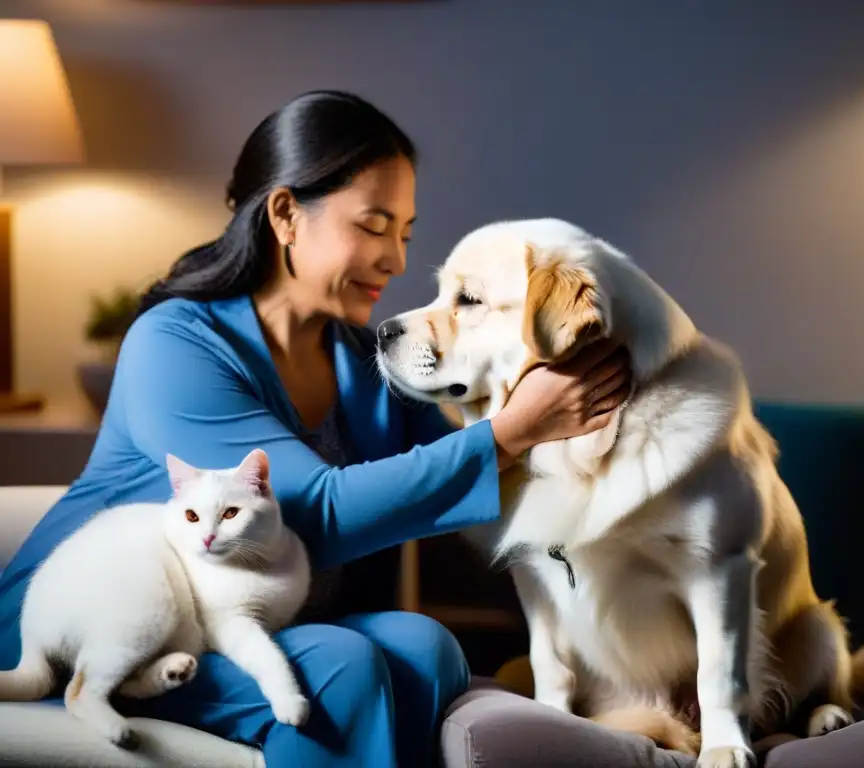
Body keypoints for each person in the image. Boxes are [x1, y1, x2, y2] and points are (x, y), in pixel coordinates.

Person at [0, 90, 631, 768]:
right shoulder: (173, 344)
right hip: (96, 622)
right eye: (374, 224)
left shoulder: (363, 358)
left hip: (235, 621)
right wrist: (514, 430)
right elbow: (315, 511)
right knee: (341, 667)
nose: (395, 258)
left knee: (427, 648)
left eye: (406, 233)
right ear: (285, 215)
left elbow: (458, 475)